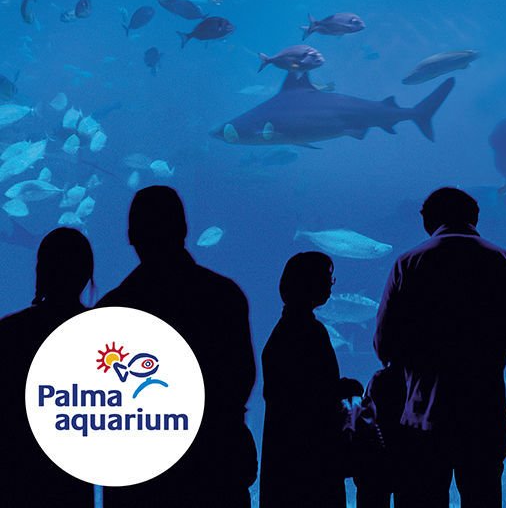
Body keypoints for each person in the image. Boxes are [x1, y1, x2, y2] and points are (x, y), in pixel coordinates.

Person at [362, 187, 506, 508]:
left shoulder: (408, 263)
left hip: (424, 415)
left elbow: (384, 345)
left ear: (428, 220)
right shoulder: (504, 261)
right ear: (475, 218)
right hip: (485, 413)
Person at [99, 186, 258, 508]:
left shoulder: (113, 309)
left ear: (131, 236)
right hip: (216, 469)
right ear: (184, 230)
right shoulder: (225, 296)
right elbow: (242, 380)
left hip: (140, 482)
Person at [0, 227, 95, 508]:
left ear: (40, 270)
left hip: (14, 481)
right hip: (71, 486)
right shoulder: (102, 336)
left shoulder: (8, 332)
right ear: (86, 272)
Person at [261, 252, 356, 508]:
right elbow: (308, 397)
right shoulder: (309, 331)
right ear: (309, 283)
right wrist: (341, 389)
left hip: (287, 455)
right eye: (327, 278)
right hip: (309, 456)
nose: (330, 284)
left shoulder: (286, 329)